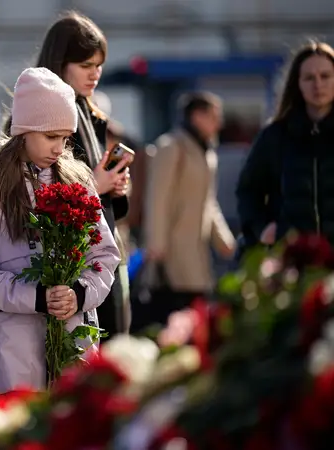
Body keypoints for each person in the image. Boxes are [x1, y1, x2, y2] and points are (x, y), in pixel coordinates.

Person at [0, 67, 120, 393]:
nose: (59, 147)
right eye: (50, 137)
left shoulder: (79, 180)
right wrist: (34, 297)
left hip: (73, 330)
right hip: (15, 337)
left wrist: (80, 293)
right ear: (24, 131)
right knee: (21, 431)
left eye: (64, 137)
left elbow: (104, 254)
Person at [18, 11, 132, 339]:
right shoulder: (34, 116)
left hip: (101, 249)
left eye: (99, 65)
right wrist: (95, 185)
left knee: (113, 344)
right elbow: (33, 195)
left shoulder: (92, 113)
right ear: (60, 63)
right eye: (86, 65)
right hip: (65, 263)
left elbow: (98, 193)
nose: (95, 74)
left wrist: (115, 188)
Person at [140, 92, 235, 330]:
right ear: (196, 116)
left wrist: (223, 240)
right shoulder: (171, 146)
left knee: (196, 313)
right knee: (172, 314)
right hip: (171, 250)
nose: (219, 123)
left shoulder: (206, 150)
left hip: (196, 249)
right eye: (214, 116)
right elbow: (157, 198)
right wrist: (156, 245)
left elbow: (208, 201)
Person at [236, 41, 334, 248]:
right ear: (297, 83)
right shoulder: (275, 136)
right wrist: (262, 228)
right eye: (309, 78)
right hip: (291, 258)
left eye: (325, 76)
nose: (318, 85)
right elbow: (248, 191)